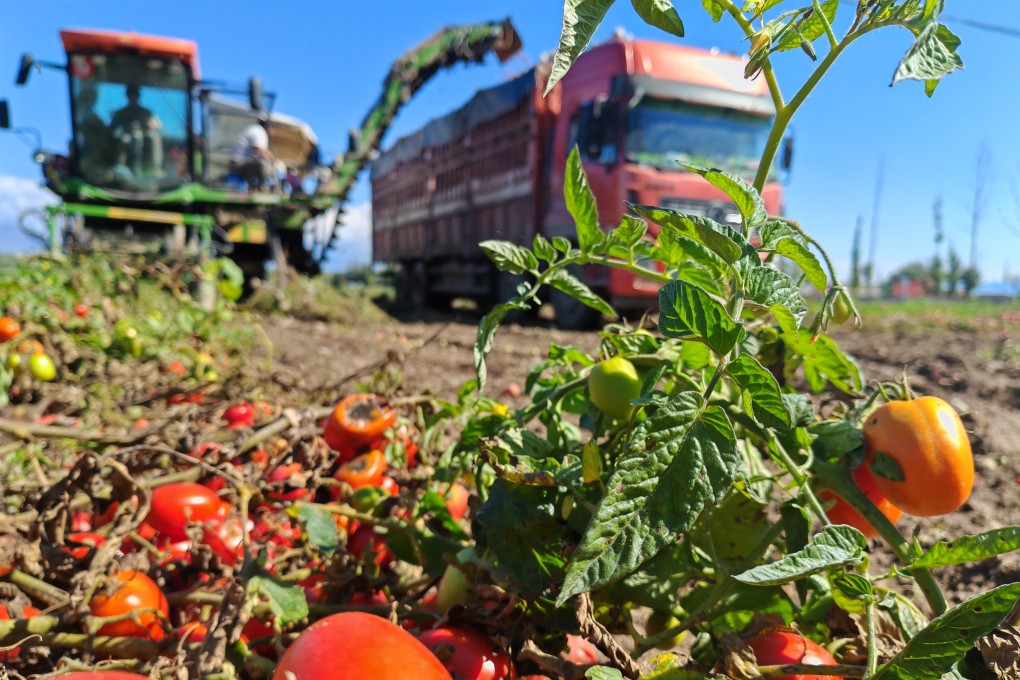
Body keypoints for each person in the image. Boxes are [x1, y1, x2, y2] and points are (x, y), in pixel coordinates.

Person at [110, 84, 162, 178]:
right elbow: (111, 130)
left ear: (138, 96)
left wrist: (149, 126)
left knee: (153, 138)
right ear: (127, 96)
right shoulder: (120, 113)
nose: (132, 97)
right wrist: (125, 128)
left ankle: (155, 168)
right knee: (124, 139)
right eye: (130, 95)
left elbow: (157, 126)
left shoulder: (147, 112)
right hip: (127, 138)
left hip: (144, 138)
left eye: (135, 95)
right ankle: (119, 167)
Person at [230, 115, 277, 190]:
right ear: (267, 126)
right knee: (264, 164)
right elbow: (259, 150)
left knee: (261, 163)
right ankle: (261, 190)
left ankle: (255, 188)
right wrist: (273, 159)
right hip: (239, 163)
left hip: (238, 163)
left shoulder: (254, 129)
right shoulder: (259, 131)